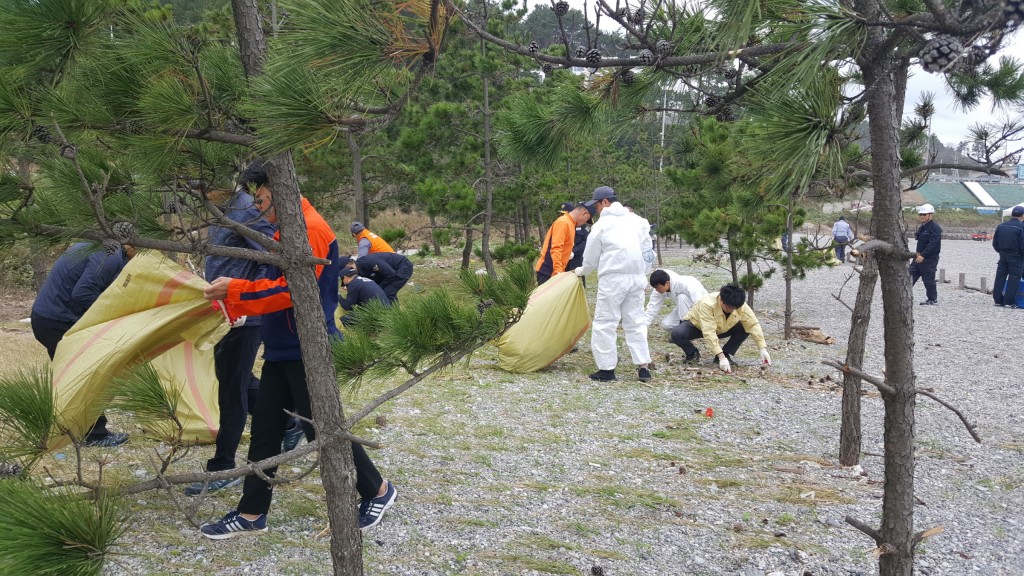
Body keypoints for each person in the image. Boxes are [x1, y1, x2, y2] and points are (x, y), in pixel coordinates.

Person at [200, 163, 395, 539]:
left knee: (323, 431)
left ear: (278, 191)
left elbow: (294, 291)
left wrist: (236, 292)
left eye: (261, 199)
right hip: (281, 346)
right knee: (266, 431)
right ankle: (252, 513)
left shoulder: (312, 229)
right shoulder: (285, 227)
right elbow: (272, 281)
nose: (257, 207)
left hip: (307, 349)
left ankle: (378, 490)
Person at [184, 175, 279, 496]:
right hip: (223, 315)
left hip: (241, 318)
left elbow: (273, 254)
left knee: (230, 391)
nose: (197, 188)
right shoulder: (222, 209)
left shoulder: (242, 209)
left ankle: (224, 467)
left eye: (201, 179)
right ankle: (290, 424)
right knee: (239, 381)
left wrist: (248, 298)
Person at [31, 241, 136, 447]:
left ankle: (61, 430)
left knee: (69, 379)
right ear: (130, 243)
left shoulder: (96, 245)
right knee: (91, 374)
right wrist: (112, 318)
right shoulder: (110, 255)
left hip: (45, 317)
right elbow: (83, 295)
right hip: (60, 321)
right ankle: (94, 434)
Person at [575, 186, 654, 382]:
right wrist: (644, 274)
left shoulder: (602, 225)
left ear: (605, 202)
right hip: (636, 277)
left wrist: (582, 271)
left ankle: (607, 369)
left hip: (613, 278)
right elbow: (648, 252)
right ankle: (643, 367)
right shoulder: (639, 222)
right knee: (636, 321)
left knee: (605, 322)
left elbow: (591, 256)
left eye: (597, 205)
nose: (596, 210)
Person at [670, 283, 771, 373]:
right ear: (721, 300)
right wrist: (720, 356)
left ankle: (726, 353)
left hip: (723, 328)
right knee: (677, 333)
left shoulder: (738, 304)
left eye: (735, 308)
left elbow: (753, 324)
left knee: (745, 327)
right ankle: (692, 353)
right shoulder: (707, 304)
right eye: (729, 308)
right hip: (697, 327)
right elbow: (708, 332)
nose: (732, 310)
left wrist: (762, 348)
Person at [535, 202, 593, 285]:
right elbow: (556, 248)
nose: (585, 222)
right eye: (586, 220)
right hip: (548, 271)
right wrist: (558, 272)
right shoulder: (563, 222)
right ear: (584, 214)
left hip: (557, 271)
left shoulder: (571, 224)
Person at [644, 270, 708, 331]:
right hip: (685, 308)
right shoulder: (658, 289)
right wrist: (643, 328)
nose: (656, 290)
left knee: (681, 297)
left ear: (667, 283)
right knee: (667, 324)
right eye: (655, 288)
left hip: (701, 307)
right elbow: (651, 309)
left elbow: (699, 302)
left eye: (658, 287)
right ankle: (685, 326)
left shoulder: (686, 284)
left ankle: (686, 329)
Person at [339, 256, 391, 326]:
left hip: (378, 314)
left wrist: (338, 296)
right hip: (386, 310)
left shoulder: (353, 284)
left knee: (344, 319)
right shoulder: (362, 280)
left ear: (345, 278)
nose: (344, 283)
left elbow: (348, 307)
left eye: (342, 280)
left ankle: (369, 327)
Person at [992, 205, 1024, 308]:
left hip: (1003, 255)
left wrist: (1001, 251)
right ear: (1022, 216)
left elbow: (995, 243)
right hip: (1016, 256)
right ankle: (1008, 302)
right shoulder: (1021, 227)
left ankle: (997, 300)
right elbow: (1022, 245)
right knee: (1013, 278)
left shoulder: (1001, 226)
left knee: (1000, 277)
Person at [910, 203, 942, 306]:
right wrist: (918, 255)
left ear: (930, 215)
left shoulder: (935, 228)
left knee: (928, 279)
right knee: (909, 275)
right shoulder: (922, 228)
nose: (922, 216)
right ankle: (903, 296)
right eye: (921, 214)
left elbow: (933, 244)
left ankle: (932, 299)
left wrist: (923, 255)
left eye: (924, 214)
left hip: (929, 259)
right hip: (918, 257)